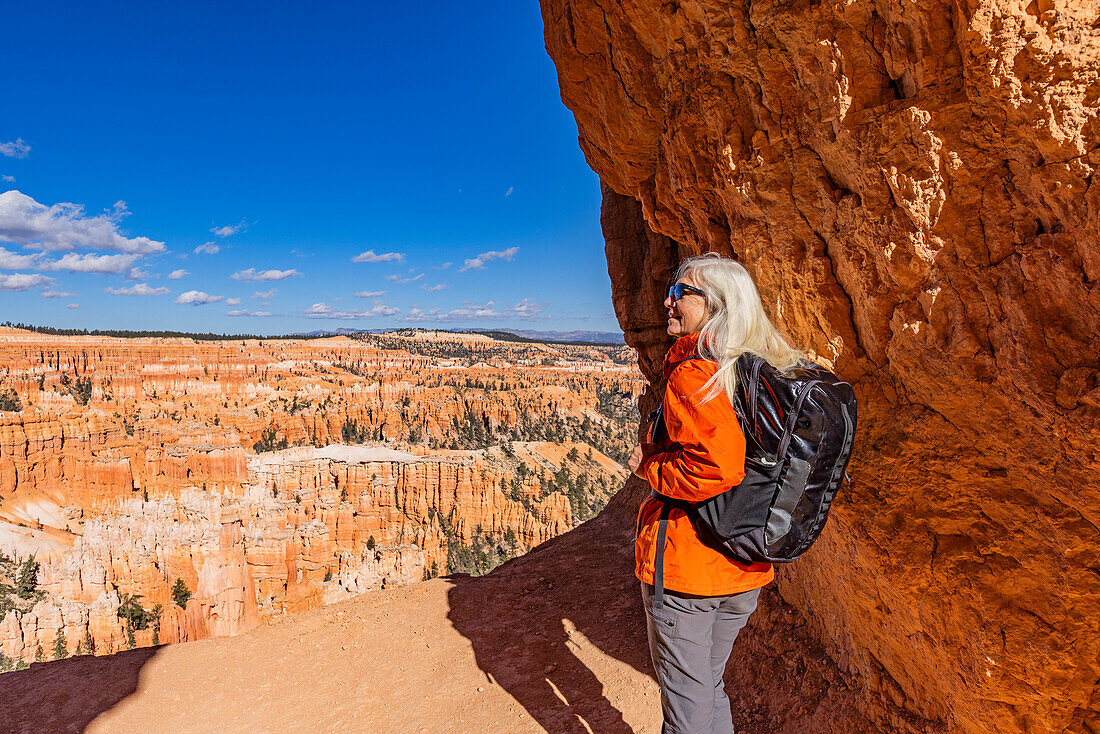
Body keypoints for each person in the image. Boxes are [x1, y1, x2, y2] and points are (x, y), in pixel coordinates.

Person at [628, 253, 804, 734]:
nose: (668, 301)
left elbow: (717, 467)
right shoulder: (752, 371)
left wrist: (652, 467)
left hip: (690, 568)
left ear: (717, 306)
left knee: (686, 713)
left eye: (682, 292)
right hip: (744, 561)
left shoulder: (694, 373)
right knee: (709, 688)